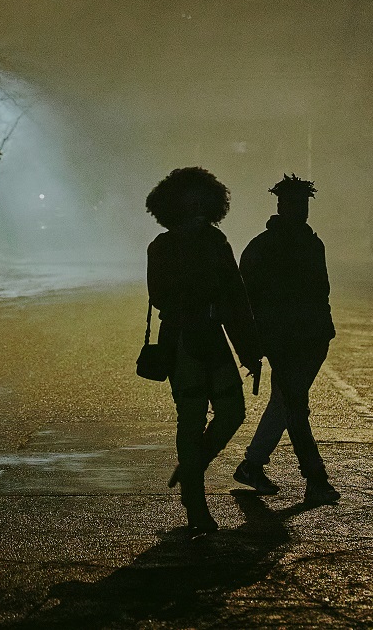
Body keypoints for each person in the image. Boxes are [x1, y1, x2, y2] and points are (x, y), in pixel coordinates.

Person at [146, 167, 262, 533]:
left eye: (201, 202)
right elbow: (159, 296)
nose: (196, 208)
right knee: (191, 420)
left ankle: (192, 468)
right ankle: (196, 505)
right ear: (174, 207)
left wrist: (249, 351)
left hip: (213, 338)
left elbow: (236, 297)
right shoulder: (162, 247)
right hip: (182, 342)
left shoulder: (217, 243)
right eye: (188, 202)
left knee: (233, 412)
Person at [233, 174, 340, 505]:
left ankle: (253, 465)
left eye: (302, 204)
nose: (300, 210)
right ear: (281, 206)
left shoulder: (287, 245)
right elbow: (247, 300)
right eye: (294, 203)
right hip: (289, 339)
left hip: (305, 339)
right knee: (293, 404)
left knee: (286, 403)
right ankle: (315, 477)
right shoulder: (273, 247)